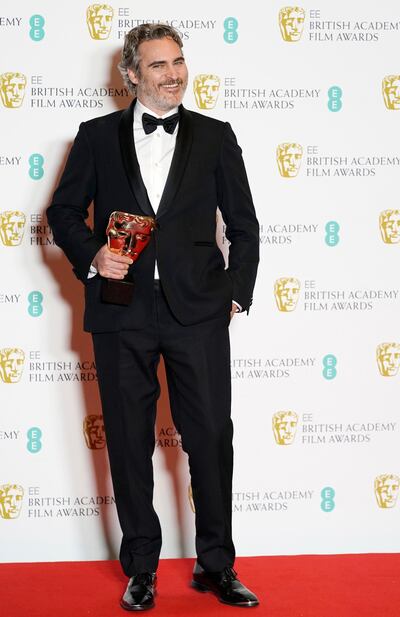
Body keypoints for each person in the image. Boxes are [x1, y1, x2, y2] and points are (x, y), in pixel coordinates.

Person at [47, 23, 259, 611]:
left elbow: (244, 225)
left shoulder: (216, 136)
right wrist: (94, 254)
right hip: (122, 313)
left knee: (212, 438)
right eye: (160, 65)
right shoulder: (95, 137)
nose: (174, 74)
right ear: (133, 75)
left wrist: (235, 293)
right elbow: (63, 211)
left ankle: (217, 565)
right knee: (128, 442)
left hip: (198, 315)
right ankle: (142, 566)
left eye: (179, 61)